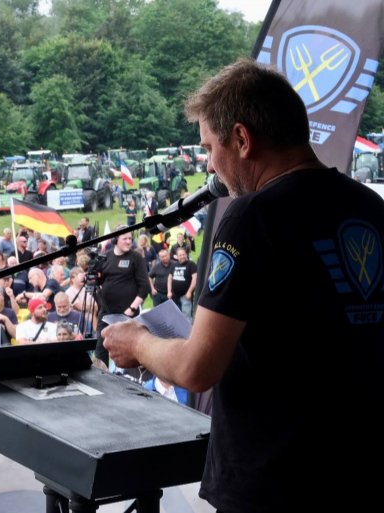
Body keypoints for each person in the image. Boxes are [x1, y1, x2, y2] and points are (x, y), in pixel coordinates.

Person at [102, 59, 384, 513]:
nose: (211, 166)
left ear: (242, 139)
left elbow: (198, 368)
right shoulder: (370, 208)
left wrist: (137, 342)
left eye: (210, 148)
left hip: (275, 484)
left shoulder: (251, 217)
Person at [94, 230, 149, 365]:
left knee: (127, 349)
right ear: (115, 241)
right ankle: (102, 376)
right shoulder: (105, 257)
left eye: (130, 239)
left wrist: (132, 308)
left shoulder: (136, 257)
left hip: (127, 313)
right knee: (101, 347)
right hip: (106, 311)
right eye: (125, 239)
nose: (129, 242)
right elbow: (98, 281)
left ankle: (129, 378)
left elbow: (144, 287)